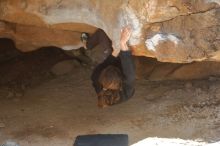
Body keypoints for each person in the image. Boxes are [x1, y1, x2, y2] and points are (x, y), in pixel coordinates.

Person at [82, 26, 135, 108]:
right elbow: (127, 60)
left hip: (108, 67)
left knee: (102, 32)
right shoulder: (127, 88)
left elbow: (107, 62)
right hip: (122, 77)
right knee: (125, 53)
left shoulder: (96, 76)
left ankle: (87, 45)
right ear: (121, 78)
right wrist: (122, 43)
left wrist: (114, 52)